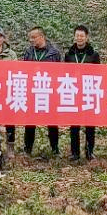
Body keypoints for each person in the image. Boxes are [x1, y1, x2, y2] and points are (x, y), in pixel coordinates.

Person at [22, 27, 63, 156]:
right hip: (32, 90)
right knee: (30, 121)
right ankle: (28, 148)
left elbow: (60, 72)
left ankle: (55, 148)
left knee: (52, 121)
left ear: (42, 37)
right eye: (30, 38)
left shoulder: (54, 53)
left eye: (34, 37)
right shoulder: (29, 52)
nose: (31, 40)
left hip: (49, 91)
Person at [64, 25, 101, 161]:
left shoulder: (93, 54)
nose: (79, 38)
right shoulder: (69, 54)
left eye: (82, 35)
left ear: (87, 37)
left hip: (89, 92)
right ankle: (75, 152)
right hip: (73, 91)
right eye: (77, 35)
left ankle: (90, 151)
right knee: (74, 124)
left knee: (90, 124)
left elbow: (98, 74)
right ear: (74, 37)